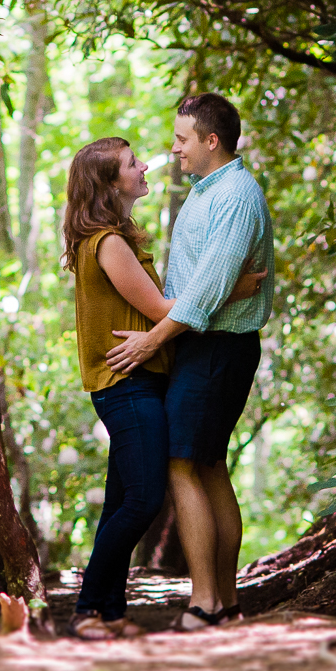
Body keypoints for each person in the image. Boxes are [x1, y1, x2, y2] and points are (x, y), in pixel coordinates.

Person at [64, 135, 264, 640]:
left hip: (140, 381)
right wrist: (230, 288)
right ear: (110, 185)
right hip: (126, 385)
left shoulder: (116, 238)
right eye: (133, 164)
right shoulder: (108, 243)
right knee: (144, 501)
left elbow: (163, 303)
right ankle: (88, 609)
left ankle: (108, 612)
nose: (146, 164)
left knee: (121, 501)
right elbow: (164, 310)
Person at [107, 93, 273, 632]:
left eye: (182, 139)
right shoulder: (208, 191)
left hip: (217, 347)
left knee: (182, 464)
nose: (173, 149)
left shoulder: (237, 196)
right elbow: (203, 285)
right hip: (200, 344)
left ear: (211, 141)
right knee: (207, 465)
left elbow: (206, 293)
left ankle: (203, 601)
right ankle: (223, 600)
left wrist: (151, 340)